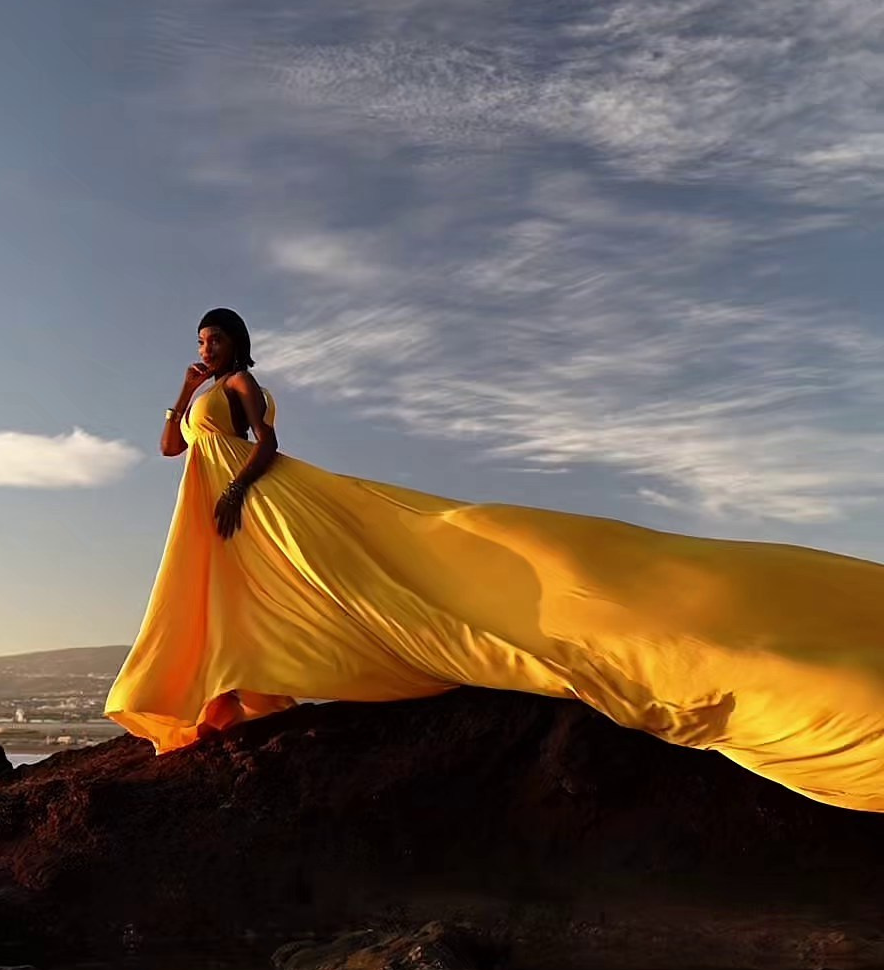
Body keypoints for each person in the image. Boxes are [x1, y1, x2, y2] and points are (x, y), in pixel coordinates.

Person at [104, 307, 884, 810]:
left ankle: (236, 696)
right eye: (201, 342)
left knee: (352, 584)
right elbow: (173, 446)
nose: (207, 350)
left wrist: (240, 492)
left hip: (252, 498)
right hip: (212, 501)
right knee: (233, 600)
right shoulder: (205, 386)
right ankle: (230, 699)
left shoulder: (242, 385)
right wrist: (181, 389)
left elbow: (267, 445)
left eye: (216, 340)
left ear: (239, 342)